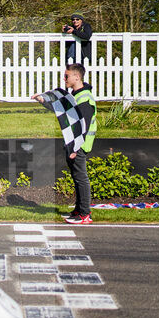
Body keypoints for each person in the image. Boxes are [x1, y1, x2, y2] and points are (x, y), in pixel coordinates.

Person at [31, 62, 97, 224]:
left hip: (79, 145)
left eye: (67, 76)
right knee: (76, 177)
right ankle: (78, 210)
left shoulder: (85, 98)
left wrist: (76, 147)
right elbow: (62, 112)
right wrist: (42, 100)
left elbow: (84, 125)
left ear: (77, 76)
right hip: (72, 144)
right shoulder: (75, 95)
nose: (64, 78)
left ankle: (85, 214)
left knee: (81, 178)